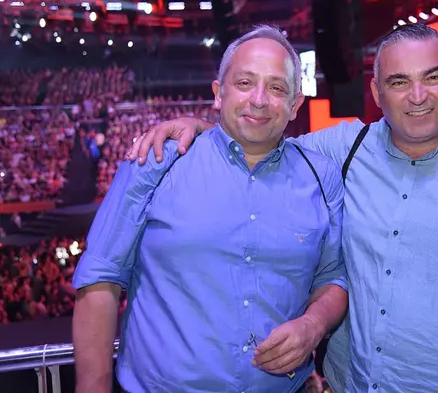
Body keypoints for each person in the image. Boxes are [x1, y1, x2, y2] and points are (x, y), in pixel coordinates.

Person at [127, 23, 438, 392]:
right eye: (399, 82)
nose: (417, 95)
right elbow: (258, 134)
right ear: (377, 92)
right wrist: (199, 127)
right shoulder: (344, 148)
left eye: (432, 77)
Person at [72, 25, 348, 393]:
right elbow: (99, 279)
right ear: (219, 93)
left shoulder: (321, 175)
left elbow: (333, 276)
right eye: (245, 83)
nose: (259, 99)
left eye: (277, 88)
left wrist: (313, 325)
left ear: (295, 104)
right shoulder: (157, 161)